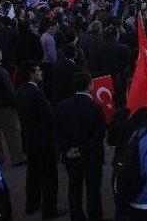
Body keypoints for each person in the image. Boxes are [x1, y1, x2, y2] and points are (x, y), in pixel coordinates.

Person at [15, 60, 68, 218]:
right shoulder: (36, 93)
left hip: (28, 139)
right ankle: (50, 209)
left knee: (33, 173)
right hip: (43, 140)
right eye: (38, 71)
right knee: (49, 176)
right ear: (31, 73)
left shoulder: (19, 91)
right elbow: (48, 117)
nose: (41, 73)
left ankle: (32, 203)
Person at [55, 71, 106, 221]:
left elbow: (58, 131)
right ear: (89, 85)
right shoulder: (96, 107)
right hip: (91, 155)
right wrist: (83, 149)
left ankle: (76, 216)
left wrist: (66, 149)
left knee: (74, 189)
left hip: (71, 155)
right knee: (93, 189)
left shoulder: (62, 106)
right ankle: (95, 216)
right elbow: (99, 135)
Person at [0, 43, 25, 166]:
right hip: (4, 106)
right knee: (12, 132)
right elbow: (9, 91)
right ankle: (17, 157)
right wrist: (15, 104)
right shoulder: (0, 71)